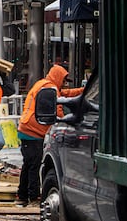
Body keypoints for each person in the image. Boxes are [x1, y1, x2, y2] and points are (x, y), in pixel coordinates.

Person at [16, 64, 84, 207]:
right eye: (64, 81)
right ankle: (32, 197)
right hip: (33, 131)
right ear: (58, 77)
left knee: (28, 164)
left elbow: (65, 94)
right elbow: (57, 109)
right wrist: (66, 121)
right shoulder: (50, 88)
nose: (64, 84)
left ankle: (22, 196)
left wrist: (84, 91)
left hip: (28, 129)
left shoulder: (45, 84)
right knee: (33, 165)